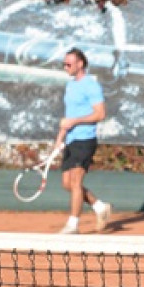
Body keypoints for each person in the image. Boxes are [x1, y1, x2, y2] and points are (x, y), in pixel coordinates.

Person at [55, 47, 111, 234]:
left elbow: (100, 114)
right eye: (64, 64)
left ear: (80, 64)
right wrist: (59, 138)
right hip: (70, 139)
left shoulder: (91, 85)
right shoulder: (70, 85)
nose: (65, 67)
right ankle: (100, 207)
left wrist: (76, 121)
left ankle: (73, 225)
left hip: (85, 139)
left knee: (76, 181)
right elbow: (68, 117)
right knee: (67, 184)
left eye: (68, 63)